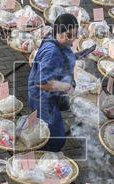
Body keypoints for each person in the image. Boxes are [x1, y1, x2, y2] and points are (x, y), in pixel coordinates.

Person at [28, 13, 78, 152]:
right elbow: (41, 82)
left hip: (49, 97)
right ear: (58, 33)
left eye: (75, 34)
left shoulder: (54, 41)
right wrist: (65, 86)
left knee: (50, 129)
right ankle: (43, 154)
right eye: (69, 35)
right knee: (56, 140)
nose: (73, 39)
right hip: (42, 99)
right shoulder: (52, 52)